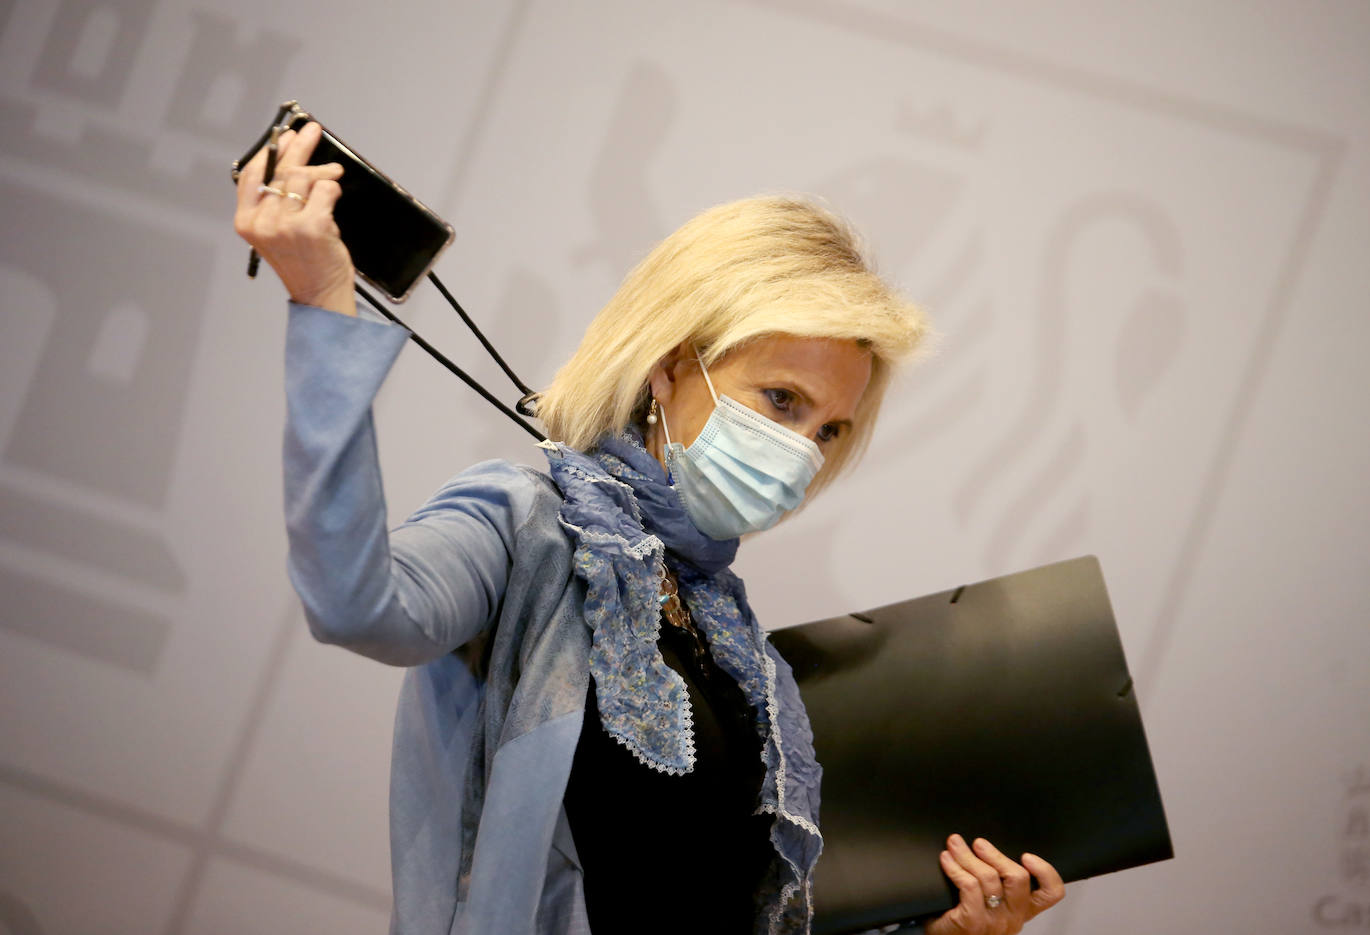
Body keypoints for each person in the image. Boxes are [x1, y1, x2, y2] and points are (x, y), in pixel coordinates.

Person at [234, 121, 1066, 935]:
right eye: (782, 399)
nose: (802, 453)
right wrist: (325, 308)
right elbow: (357, 603)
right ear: (669, 364)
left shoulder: (733, 639)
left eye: (828, 430)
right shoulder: (524, 523)